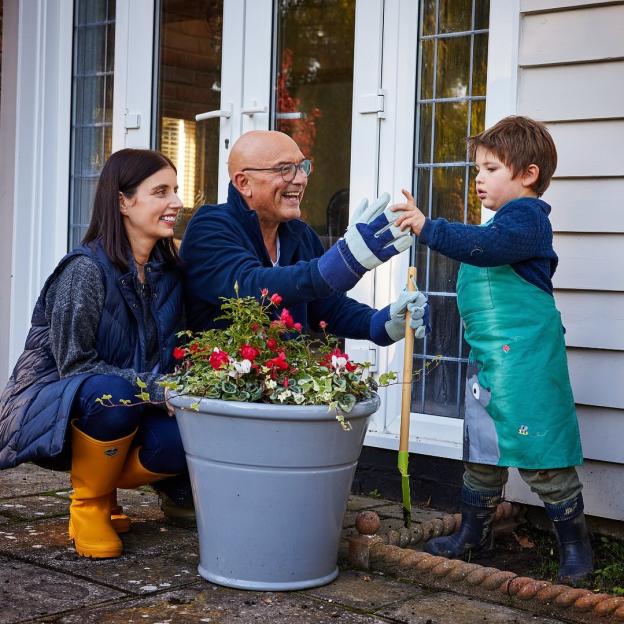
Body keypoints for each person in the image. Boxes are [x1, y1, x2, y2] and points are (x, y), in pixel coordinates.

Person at [393, 116, 592, 585]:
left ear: (528, 175)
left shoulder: (524, 222)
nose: (478, 178)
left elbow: (484, 247)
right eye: (477, 168)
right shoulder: (502, 223)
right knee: (482, 452)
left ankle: (576, 547)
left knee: (543, 454)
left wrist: (428, 226)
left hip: (526, 363)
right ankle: (473, 537)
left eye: (491, 168)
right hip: (490, 362)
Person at [0, 149, 188, 559]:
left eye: (175, 190)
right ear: (123, 201)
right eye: (161, 191)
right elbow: (76, 367)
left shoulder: (168, 274)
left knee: (184, 440)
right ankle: (88, 506)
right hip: (58, 409)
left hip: (131, 411)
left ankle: (103, 489)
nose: (176, 202)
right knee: (109, 392)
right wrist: (160, 389)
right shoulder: (83, 271)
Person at [180, 130, 429, 348]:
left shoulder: (299, 234)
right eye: (285, 169)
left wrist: (384, 323)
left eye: (302, 167)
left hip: (278, 392)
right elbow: (251, 286)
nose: (300, 179)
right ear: (244, 183)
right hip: (213, 397)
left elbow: (329, 308)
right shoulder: (209, 227)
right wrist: (343, 261)